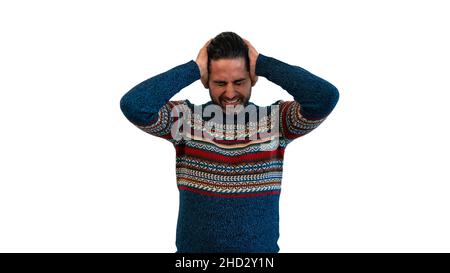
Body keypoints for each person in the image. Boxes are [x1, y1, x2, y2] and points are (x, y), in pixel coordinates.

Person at [120, 31, 339, 253]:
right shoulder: (185, 119)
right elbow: (134, 106)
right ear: (206, 81)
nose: (230, 92)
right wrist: (192, 70)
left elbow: (325, 98)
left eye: (239, 81)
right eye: (220, 82)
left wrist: (265, 64)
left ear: (253, 78)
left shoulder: (276, 122)